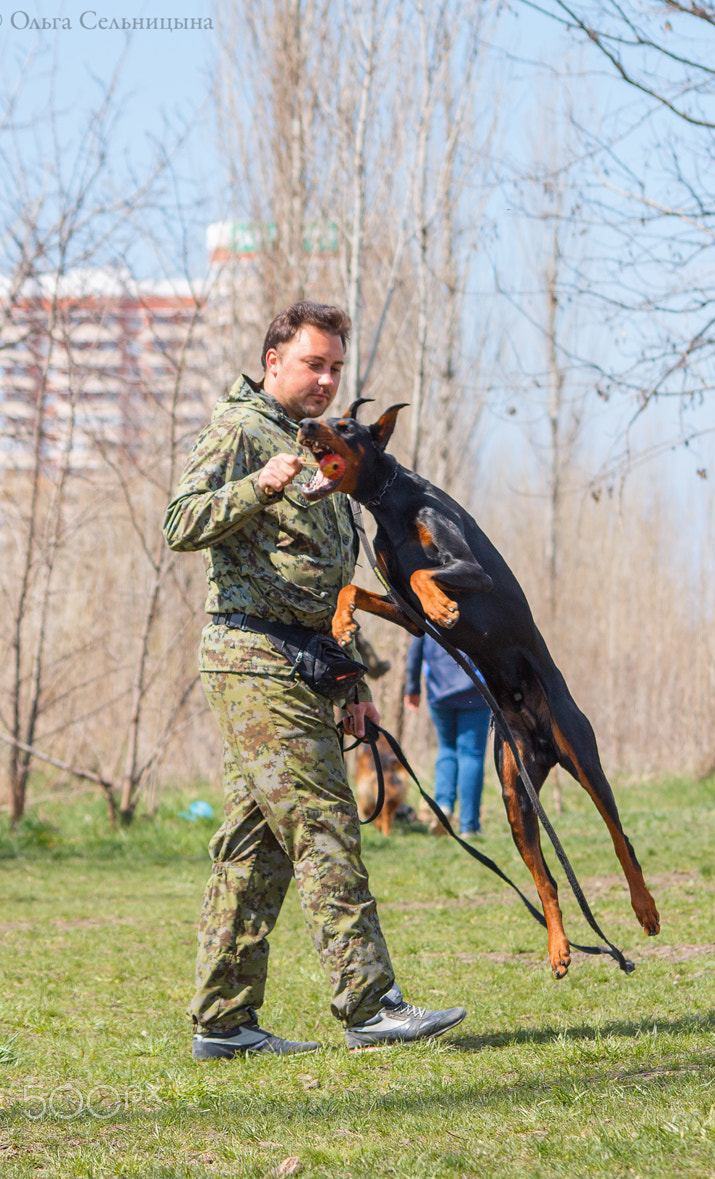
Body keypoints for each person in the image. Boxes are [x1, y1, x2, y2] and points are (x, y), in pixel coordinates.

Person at [163, 301, 465, 1057]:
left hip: (307, 663)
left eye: (335, 366)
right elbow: (180, 523)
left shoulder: (321, 448)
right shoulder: (241, 431)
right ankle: (370, 1005)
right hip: (252, 659)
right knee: (326, 824)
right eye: (312, 363)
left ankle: (223, 1023)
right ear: (274, 362)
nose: (327, 378)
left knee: (254, 846)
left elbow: (325, 582)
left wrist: (352, 681)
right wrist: (257, 488)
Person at [404, 635, 491, 838]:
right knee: (471, 754)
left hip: (439, 691)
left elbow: (415, 648)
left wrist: (412, 687)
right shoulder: (477, 603)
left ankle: (443, 806)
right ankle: (469, 826)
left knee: (446, 747)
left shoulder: (429, 605)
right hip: (475, 691)